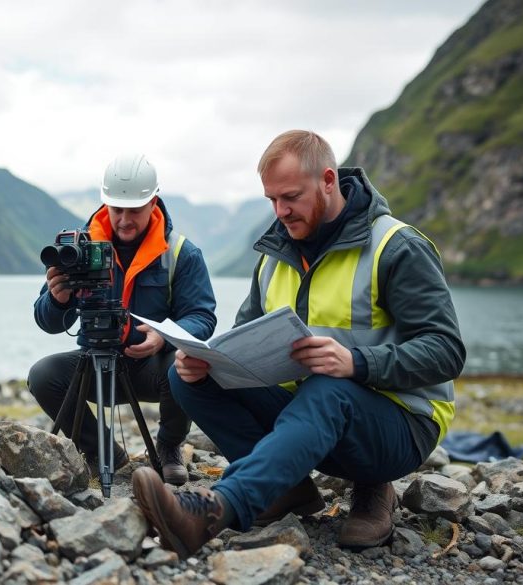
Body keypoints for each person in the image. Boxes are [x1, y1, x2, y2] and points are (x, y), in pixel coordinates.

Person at [132, 130, 465, 556]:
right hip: (310, 421)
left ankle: (213, 511)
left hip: (401, 427)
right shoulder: (273, 254)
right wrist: (208, 361)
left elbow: (446, 351)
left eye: (290, 197)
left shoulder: (396, 247)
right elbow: (242, 339)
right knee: (189, 378)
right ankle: (286, 490)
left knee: (329, 388)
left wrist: (356, 362)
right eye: (271, 199)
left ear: (328, 180)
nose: (280, 211)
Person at [29, 153, 217, 485]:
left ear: (153, 202)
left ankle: (169, 447)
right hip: (93, 358)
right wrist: (57, 300)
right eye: (117, 210)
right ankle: (105, 454)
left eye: (134, 210)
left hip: (150, 367)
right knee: (42, 375)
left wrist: (164, 337)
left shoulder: (180, 253)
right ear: (105, 203)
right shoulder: (79, 248)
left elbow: (202, 317)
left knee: (185, 362)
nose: (124, 220)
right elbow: (46, 321)